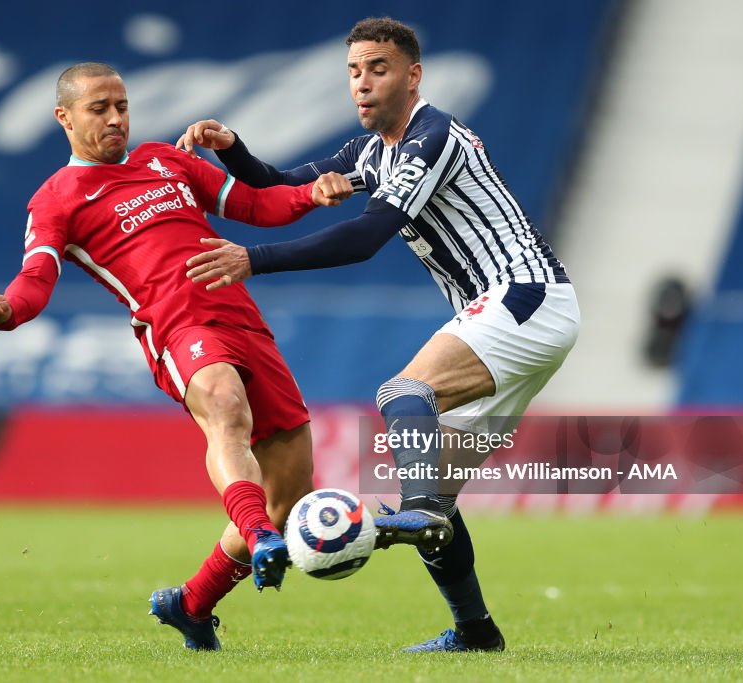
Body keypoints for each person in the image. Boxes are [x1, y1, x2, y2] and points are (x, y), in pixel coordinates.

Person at [178, 17, 580, 653]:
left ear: (412, 76)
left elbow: (365, 238)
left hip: (525, 296)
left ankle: (414, 510)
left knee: (402, 394)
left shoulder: (433, 135)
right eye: (354, 72)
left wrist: (254, 260)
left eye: (378, 69)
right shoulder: (370, 153)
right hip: (514, 313)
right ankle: (475, 629)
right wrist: (231, 148)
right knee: (440, 500)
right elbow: (278, 182)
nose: (362, 84)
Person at [0, 62, 353, 651]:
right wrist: (6, 311)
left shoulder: (164, 159)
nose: (116, 118)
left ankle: (191, 605)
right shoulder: (56, 199)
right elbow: (36, 278)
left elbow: (254, 205)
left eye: (121, 105)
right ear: (64, 117)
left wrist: (311, 194)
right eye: (99, 108)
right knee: (225, 408)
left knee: (288, 494)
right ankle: (258, 537)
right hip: (176, 327)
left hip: (244, 318)